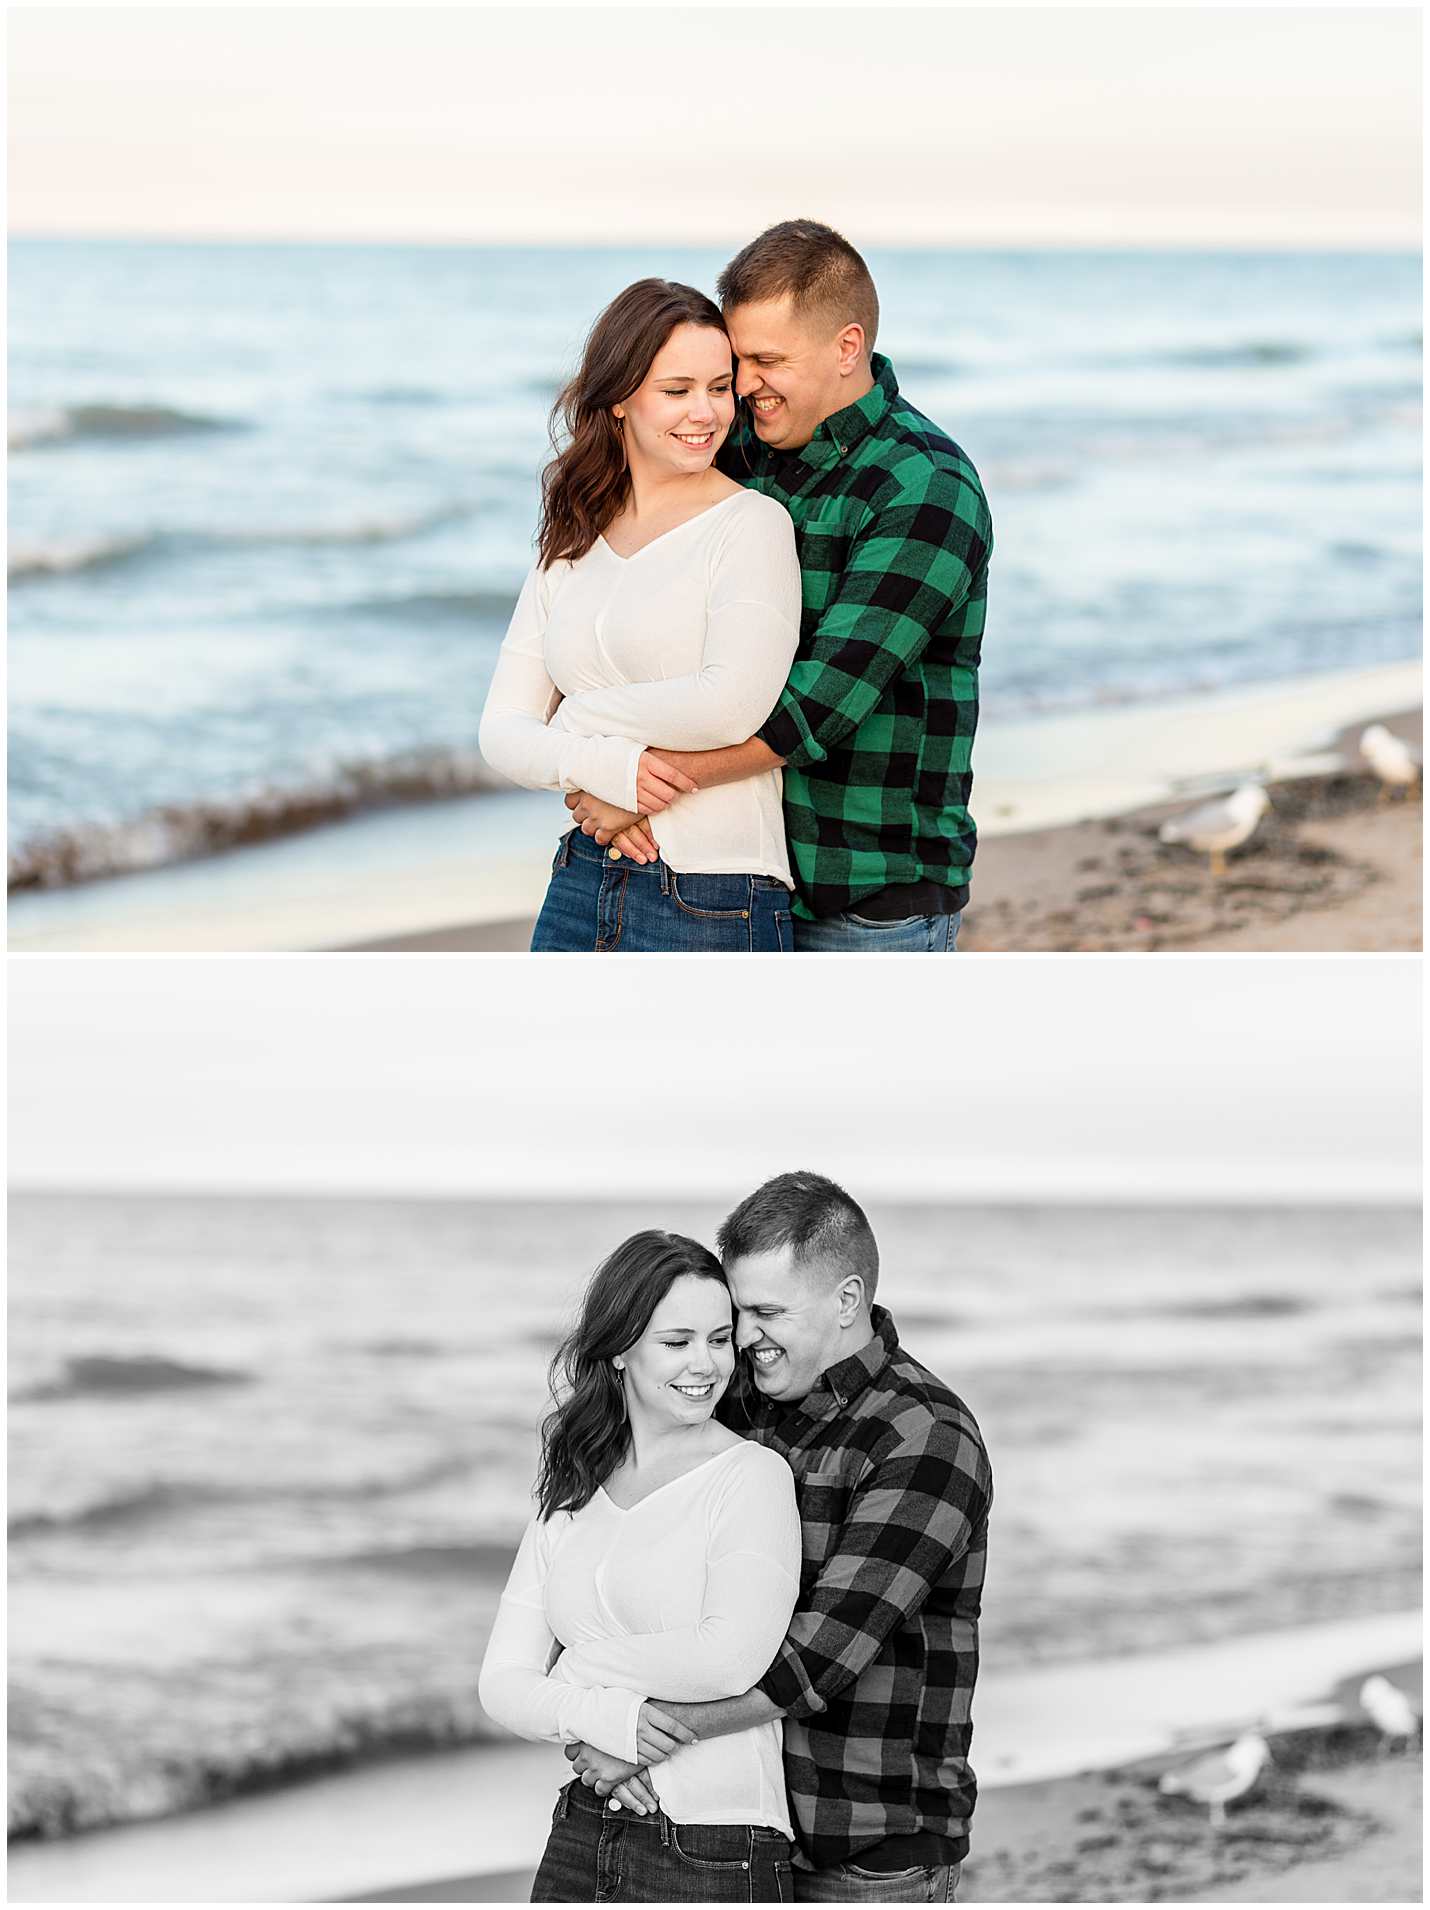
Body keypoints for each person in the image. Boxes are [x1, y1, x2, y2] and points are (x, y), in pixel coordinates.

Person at [567, 222, 993, 952]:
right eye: (739, 361)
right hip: (730, 879)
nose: (745, 386)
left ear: (847, 347)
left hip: (867, 896)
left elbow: (816, 710)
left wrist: (633, 781)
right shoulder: (737, 450)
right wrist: (593, 768)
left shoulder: (926, 487)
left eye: (767, 360)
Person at [565, 1175, 993, 1904]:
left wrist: (633, 1734)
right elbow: (633, 1575)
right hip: (733, 1829)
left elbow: (817, 1659)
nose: (746, 1338)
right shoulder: (740, 1405)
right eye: (739, 1313)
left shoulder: (925, 1436)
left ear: (847, 1301)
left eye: (767, 1312)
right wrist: (588, 1721)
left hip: (867, 1848)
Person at [478, 1231, 802, 1902]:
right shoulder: (573, 1488)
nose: (706, 1364)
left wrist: (576, 1677)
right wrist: (607, 1720)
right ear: (622, 1348)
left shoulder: (751, 1476)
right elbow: (501, 1685)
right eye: (677, 1342)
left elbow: (732, 1657)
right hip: (585, 1820)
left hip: (717, 1844)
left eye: (719, 1339)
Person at [478, 279, 802, 951]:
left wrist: (576, 726)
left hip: (716, 894)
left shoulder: (751, 524)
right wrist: (608, 770)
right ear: (621, 397)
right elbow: (501, 734)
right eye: (677, 390)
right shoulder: (574, 535)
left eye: (720, 388)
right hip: (582, 872)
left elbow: (732, 704)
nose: (706, 413)